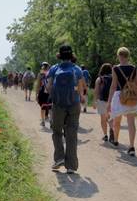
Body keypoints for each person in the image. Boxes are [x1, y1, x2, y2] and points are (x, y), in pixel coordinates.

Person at [46, 45, 87, 173]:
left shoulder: (54, 68)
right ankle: (71, 166)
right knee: (72, 133)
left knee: (57, 131)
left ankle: (59, 158)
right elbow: (81, 87)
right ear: (71, 55)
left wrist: (53, 96)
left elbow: (48, 86)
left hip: (58, 105)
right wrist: (81, 97)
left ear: (60, 55)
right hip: (74, 104)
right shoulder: (77, 69)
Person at [107, 47, 137, 156]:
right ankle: (131, 146)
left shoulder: (115, 68)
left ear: (118, 56)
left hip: (119, 96)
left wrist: (109, 101)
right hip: (131, 97)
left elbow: (113, 85)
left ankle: (116, 140)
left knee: (117, 121)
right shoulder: (134, 68)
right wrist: (136, 98)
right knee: (131, 122)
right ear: (128, 56)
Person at [93, 63, 114, 142]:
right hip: (111, 101)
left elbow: (96, 91)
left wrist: (95, 101)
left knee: (103, 119)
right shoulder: (113, 78)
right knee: (110, 118)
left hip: (102, 100)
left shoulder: (99, 79)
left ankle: (105, 135)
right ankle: (112, 130)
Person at [37, 62, 52, 126]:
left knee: (43, 107)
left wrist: (37, 94)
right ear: (48, 66)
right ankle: (51, 121)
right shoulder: (51, 73)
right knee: (50, 107)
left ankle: (43, 121)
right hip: (50, 91)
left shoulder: (40, 74)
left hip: (43, 91)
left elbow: (38, 85)